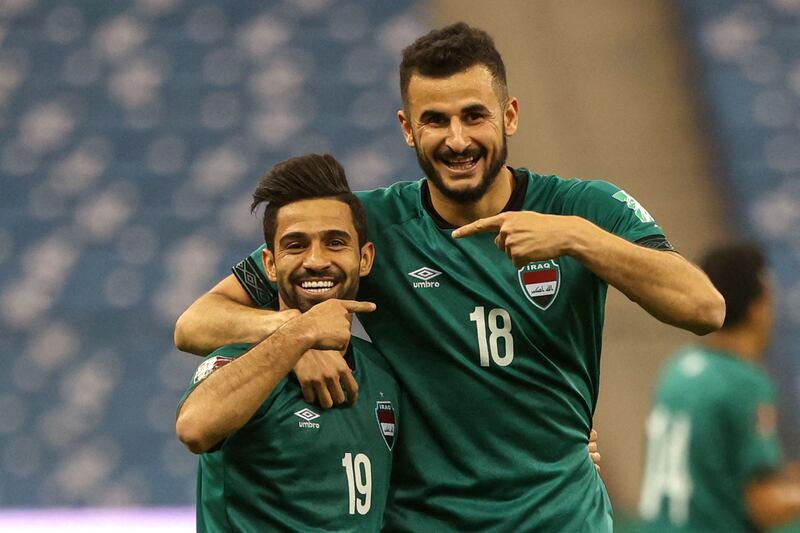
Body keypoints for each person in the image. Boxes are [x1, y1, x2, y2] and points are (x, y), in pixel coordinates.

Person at [175, 23, 724, 531]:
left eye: (473, 116)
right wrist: (293, 333)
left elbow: (704, 309)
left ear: (509, 115)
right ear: (407, 129)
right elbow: (198, 321)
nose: (456, 139)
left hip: (561, 520)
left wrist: (579, 238)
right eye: (435, 120)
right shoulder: (368, 226)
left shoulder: (583, 208)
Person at [175, 154, 400, 531]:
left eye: (335, 242)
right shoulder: (240, 361)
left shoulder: (381, 375)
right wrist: (298, 334)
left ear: (364, 258)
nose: (315, 260)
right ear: (270, 264)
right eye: (296, 245)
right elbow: (194, 428)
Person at [639, 243, 800, 532]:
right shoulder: (743, 382)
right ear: (759, 303)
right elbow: (763, 506)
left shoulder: (678, 368)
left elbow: (709, 469)